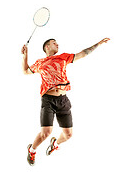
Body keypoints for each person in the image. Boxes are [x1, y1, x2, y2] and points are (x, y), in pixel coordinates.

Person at [21, 37, 110, 165]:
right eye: (54, 43)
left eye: (57, 43)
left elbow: (83, 53)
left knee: (68, 135)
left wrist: (98, 44)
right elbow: (25, 71)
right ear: (47, 47)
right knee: (46, 133)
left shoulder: (63, 57)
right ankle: (32, 150)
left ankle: (55, 144)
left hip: (63, 100)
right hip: (48, 100)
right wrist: (25, 55)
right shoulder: (40, 63)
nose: (57, 44)